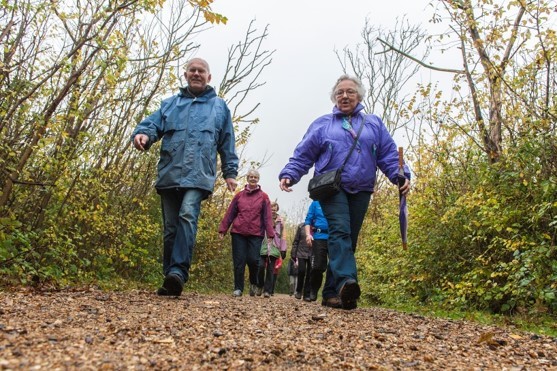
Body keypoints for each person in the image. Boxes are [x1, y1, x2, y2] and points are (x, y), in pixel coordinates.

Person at [279, 74, 411, 310]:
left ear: (359, 95)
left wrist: (400, 176)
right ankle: (348, 282)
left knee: (349, 239)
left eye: (350, 91)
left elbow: (388, 155)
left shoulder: (373, 124)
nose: (344, 96)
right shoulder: (323, 124)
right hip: (331, 187)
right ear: (334, 97)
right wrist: (290, 173)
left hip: (361, 188)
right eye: (340, 92)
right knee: (340, 231)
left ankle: (332, 293)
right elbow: (304, 153)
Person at [132, 58, 239, 297]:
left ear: (209, 77)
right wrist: (142, 135)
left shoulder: (219, 107)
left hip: (199, 174)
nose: (197, 74)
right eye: (193, 70)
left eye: (202, 71)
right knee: (170, 228)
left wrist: (230, 173)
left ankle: (179, 272)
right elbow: (151, 125)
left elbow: (227, 142)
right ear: (186, 74)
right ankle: (170, 277)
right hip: (170, 172)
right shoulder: (170, 104)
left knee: (187, 215)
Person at [218, 169, 275, 297]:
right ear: (247, 178)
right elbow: (230, 213)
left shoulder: (264, 197)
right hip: (238, 232)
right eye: (251, 176)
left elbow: (267, 217)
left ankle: (254, 283)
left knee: (254, 260)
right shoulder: (239, 195)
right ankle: (238, 288)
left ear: (258, 179)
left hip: (256, 233)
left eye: (255, 177)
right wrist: (223, 229)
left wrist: (270, 234)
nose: (253, 179)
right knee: (239, 261)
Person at [304, 200, 332, 305]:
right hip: (319, 237)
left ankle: (330, 294)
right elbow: (308, 220)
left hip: (334, 237)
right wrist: (308, 235)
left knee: (334, 266)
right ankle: (313, 289)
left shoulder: (338, 200)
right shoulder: (315, 203)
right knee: (318, 266)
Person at [257, 201, 285, 298]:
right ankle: (260, 285)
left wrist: (283, 248)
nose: (273, 209)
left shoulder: (280, 220)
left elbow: (282, 235)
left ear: (277, 209)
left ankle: (267, 291)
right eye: (271, 208)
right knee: (260, 266)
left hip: (274, 246)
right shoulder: (264, 217)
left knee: (270, 269)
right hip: (263, 244)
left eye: (275, 208)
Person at [291, 222, 312, 301]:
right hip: (301, 252)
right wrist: (293, 253)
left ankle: (307, 294)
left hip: (312, 253)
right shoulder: (301, 226)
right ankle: (299, 291)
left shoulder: (318, 227)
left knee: (310, 273)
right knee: (301, 271)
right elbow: (296, 240)